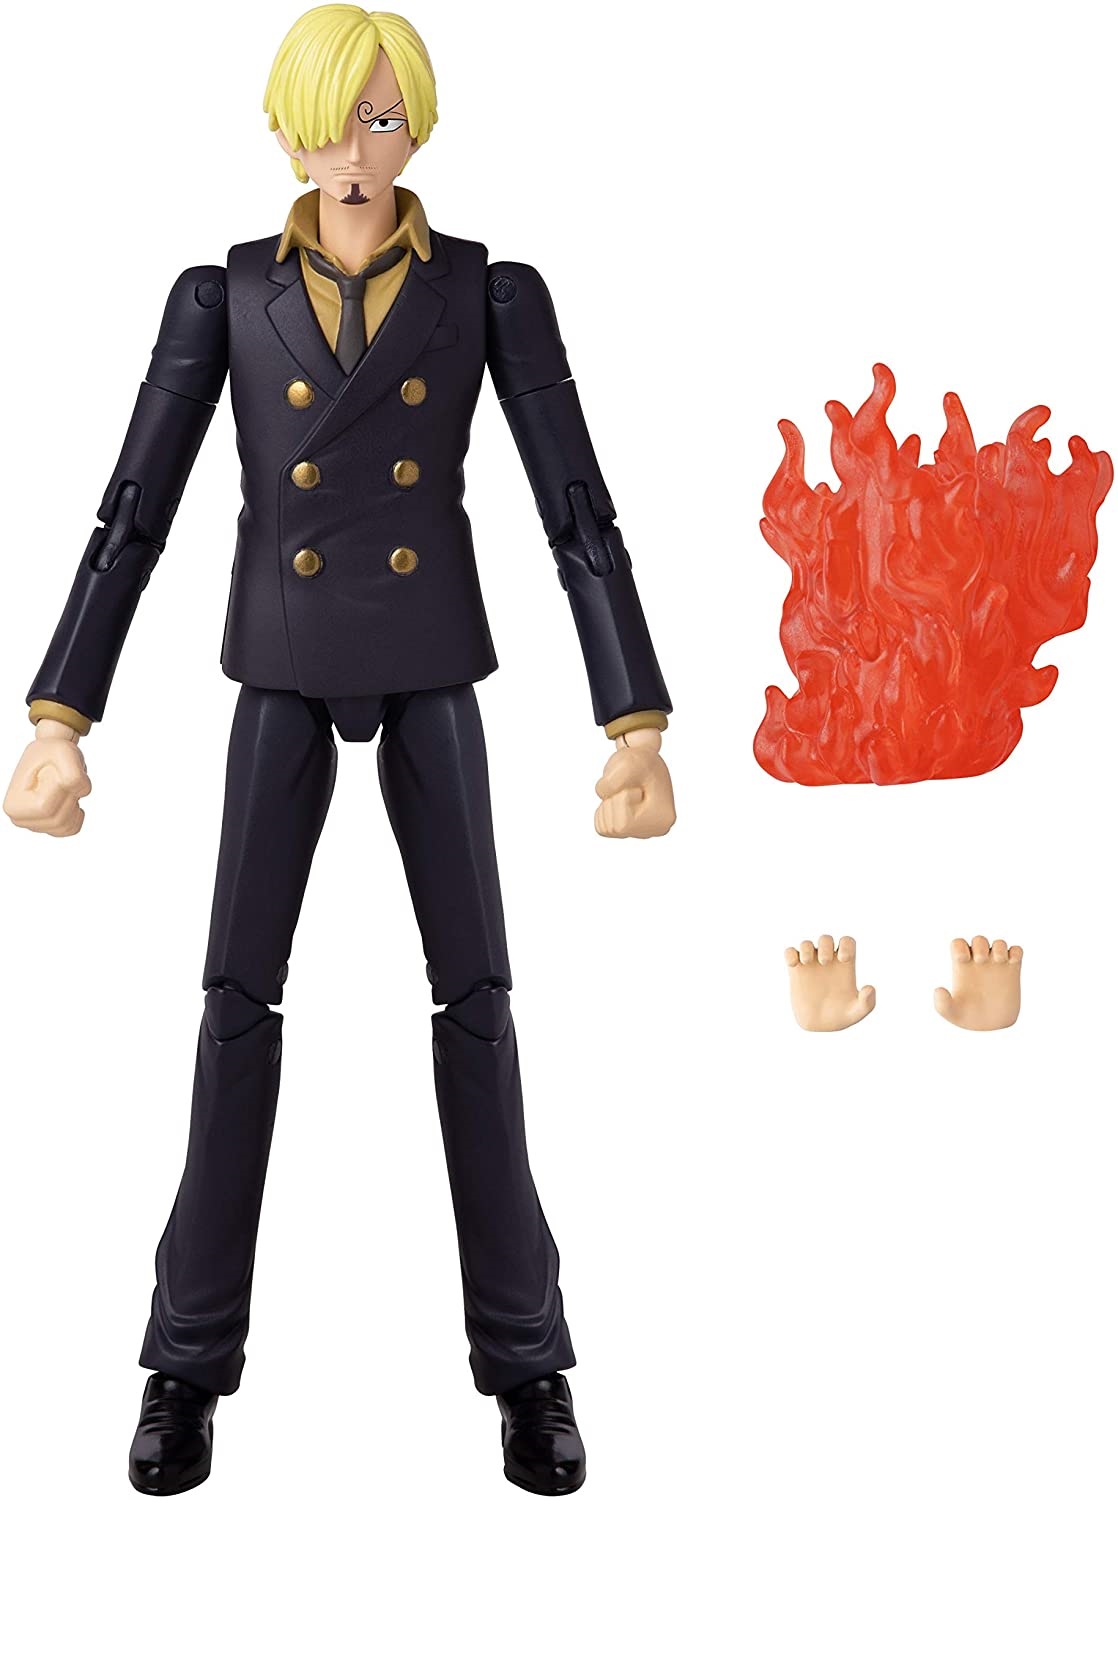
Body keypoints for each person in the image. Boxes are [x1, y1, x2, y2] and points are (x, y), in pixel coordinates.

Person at [4, 5, 674, 1498]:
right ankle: (185, 1359)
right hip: (282, 663)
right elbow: (134, 507)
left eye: (381, 119)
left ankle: (528, 1356)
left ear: (418, 126)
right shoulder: (223, 293)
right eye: (328, 121)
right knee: (234, 1005)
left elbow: (576, 504)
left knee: (478, 1004)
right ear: (284, 130)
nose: (355, 150)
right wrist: (61, 713)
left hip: (431, 658)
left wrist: (632, 716)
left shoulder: (486, 291)